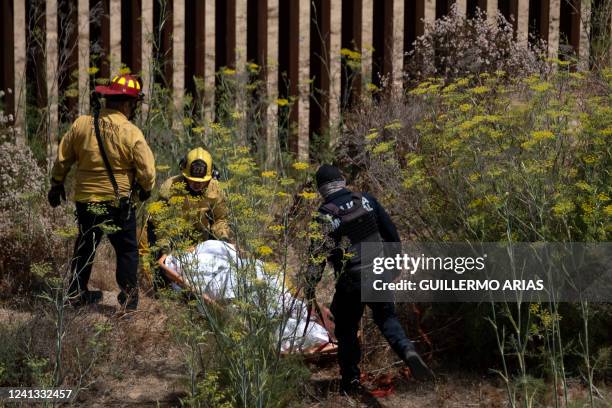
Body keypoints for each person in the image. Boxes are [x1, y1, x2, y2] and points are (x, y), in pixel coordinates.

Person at [305, 164, 434, 394]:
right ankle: (407, 351)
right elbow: (392, 235)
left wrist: (309, 288)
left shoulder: (323, 217)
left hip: (351, 280)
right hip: (379, 272)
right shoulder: (367, 200)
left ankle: (351, 381)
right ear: (342, 181)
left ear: (321, 190)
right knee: (386, 319)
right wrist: (393, 267)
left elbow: (317, 259)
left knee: (345, 329)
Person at [48, 73, 156, 311]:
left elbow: (63, 157)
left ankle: (76, 294)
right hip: (118, 204)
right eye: (134, 104)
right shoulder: (131, 132)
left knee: (85, 245)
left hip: (86, 201)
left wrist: (56, 184)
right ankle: (128, 302)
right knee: (126, 250)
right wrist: (144, 190)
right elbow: (147, 172)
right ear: (128, 104)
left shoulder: (82, 124)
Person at [147, 147, 230, 289]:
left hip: (200, 240)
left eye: (202, 181)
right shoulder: (171, 187)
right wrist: (165, 248)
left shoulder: (216, 191)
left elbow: (220, 219)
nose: (197, 184)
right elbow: (159, 221)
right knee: (162, 274)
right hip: (172, 235)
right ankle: (161, 288)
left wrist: (222, 239)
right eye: (192, 180)